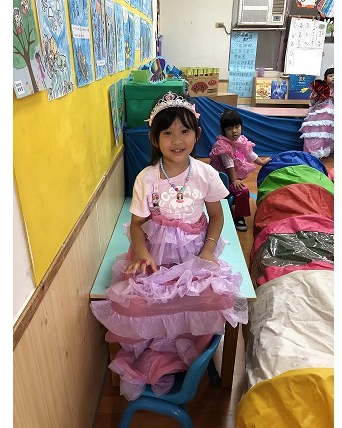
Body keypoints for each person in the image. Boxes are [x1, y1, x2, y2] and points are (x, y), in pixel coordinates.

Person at [90, 91, 248, 401]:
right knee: (141, 302)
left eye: (184, 131)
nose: (177, 140)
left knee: (210, 298)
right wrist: (142, 251)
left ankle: (189, 348)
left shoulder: (206, 174)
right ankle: (161, 347)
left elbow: (217, 217)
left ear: (197, 134)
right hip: (156, 254)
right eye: (168, 133)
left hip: (195, 252)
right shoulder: (146, 178)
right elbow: (138, 224)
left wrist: (208, 250)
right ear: (154, 138)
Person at [208, 109, 270, 232]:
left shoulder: (241, 141)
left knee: (241, 190)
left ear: (241, 126)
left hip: (233, 177)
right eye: (229, 129)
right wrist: (234, 180)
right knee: (243, 191)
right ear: (224, 131)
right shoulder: (223, 145)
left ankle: (238, 210)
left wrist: (262, 162)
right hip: (223, 179)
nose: (234, 131)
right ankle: (239, 217)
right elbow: (228, 164)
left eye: (237, 127)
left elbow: (250, 154)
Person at [300, 67, 334, 159]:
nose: (334, 77)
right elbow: (312, 102)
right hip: (318, 110)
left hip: (330, 112)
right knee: (313, 127)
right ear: (325, 78)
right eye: (331, 76)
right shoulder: (320, 88)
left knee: (325, 129)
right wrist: (317, 95)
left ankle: (321, 151)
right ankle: (311, 151)